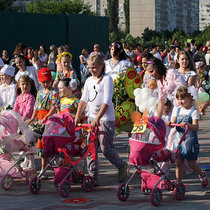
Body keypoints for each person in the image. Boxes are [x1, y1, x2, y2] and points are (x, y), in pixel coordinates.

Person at [75, 54, 127, 186]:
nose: (92, 70)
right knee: (90, 147)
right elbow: (84, 99)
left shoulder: (107, 79)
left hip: (105, 119)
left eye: (94, 67)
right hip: (91, 118)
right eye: (90, 67)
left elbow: (107, 100)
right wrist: (77, 116)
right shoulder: (88, 81)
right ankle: (93, 175)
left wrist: (98, 118)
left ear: (101, 66)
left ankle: (121, 165)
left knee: (105, 147)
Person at [167, 86, 208, 187]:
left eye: (183, 98)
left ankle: (202, 175)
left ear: (190, 98)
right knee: (179, 162)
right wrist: (169, 123)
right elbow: (172, 121)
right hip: (179, 140)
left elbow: (195, 126)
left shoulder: (193, 111)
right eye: (179, 99)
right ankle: (179, 182)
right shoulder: (177, 109)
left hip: (190, 141)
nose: (180, 101)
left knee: (191, 163)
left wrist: (187, 125)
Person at [27, 67, 58, 178]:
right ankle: (43, 169)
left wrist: (47, 117)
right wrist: (31, 118)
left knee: (48, 144)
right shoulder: (40, 93)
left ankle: (54, 166)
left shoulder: (54, 93)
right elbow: (36, 107)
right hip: (40, 119)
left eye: (48, 82)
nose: (45, 84)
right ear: (40, 81)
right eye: (43, 82)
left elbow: (54, 107)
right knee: (41, 144)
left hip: (49, 120)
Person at [13, 75, 37, 169]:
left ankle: (32, 162)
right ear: (19, 85)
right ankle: (26, 160)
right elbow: (15, 109)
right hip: (22, 122)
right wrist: (13, 116)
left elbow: (29, 110)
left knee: (30, 143)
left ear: (30, 86)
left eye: (27, 84)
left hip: (29, 122)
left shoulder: (31, 97)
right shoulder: (19, 97)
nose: (25, 86)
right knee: (23, 143)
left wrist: (23, 118)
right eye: (23, 84)